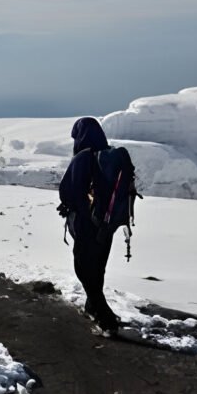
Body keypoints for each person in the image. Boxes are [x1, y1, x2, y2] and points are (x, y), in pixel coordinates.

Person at [58, 117, 120, 333]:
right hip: (107, 224)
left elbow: (68, 189)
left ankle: (106, 319)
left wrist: (69, 206)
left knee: (84, 268)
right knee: (98, 267)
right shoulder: (110, 157)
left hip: (86, 223)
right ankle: (92, 306)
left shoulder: (82, 157)